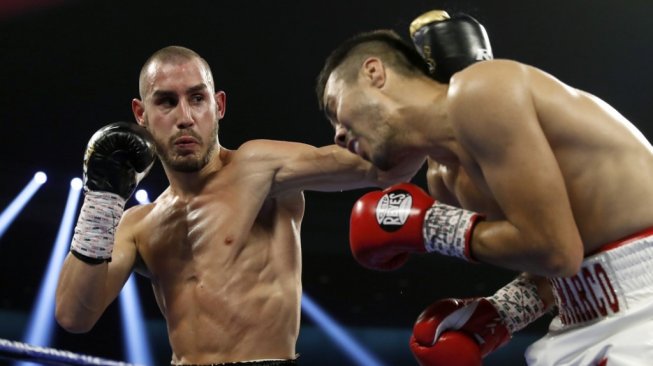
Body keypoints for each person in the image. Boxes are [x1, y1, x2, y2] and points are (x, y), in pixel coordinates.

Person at [315, 9, 653, 366]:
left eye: (336, 108)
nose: (337, 133)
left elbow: (557, 251)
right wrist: (502, 314)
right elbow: (557, 263)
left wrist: (430, 227)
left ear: (373, 72)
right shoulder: (444, 178)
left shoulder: (481, 87)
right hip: (579, 321)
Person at [54, 45, 421, 366]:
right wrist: (101, 200)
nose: (185, 117)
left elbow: (382, 167)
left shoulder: (259, 168)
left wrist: (434, 104)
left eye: (197, 98)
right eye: (166, 101)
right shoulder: (138, 224)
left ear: (219, 105)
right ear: (140, 113)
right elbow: (73, 315)